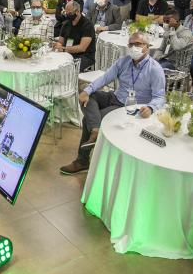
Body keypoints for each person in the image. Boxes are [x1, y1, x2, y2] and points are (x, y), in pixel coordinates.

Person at [60, 31, 165, 174]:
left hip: (131, 107)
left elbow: (160, 97)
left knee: (88, 120)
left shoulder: (155, 69)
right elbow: (105, 78)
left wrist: (151, 108)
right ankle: (96, 131)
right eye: (131, 44)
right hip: (115, 97)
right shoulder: (124, 61)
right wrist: (87, 90)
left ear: (147, 46)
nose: (134, 47)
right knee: (88, 96)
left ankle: (82, 160)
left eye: (138, 44)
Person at [54, 0, 96, 71]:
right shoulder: (66, 23)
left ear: (77, 12)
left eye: (69, 13)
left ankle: (70, 81)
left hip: (84, 56)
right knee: (54, 63)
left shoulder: (87, 25)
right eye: (66, 13)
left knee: (67, 68)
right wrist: (57, 45)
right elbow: (61, 42)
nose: (67, 15)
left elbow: (82, 48)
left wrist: (64, 49)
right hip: (67, 52)